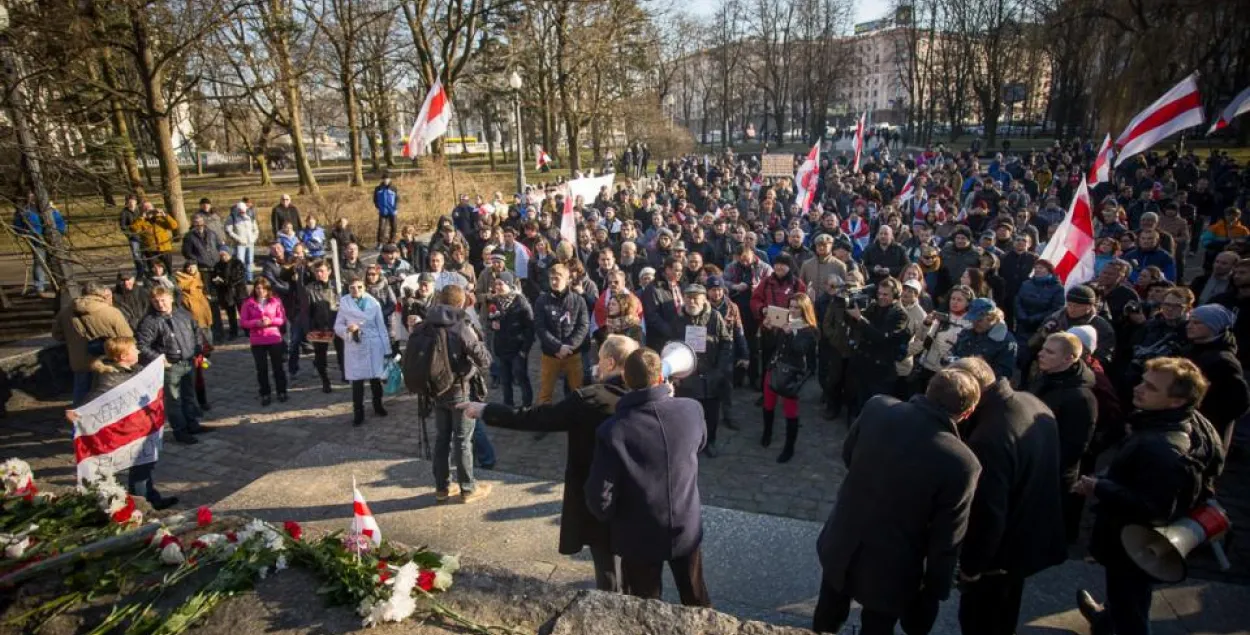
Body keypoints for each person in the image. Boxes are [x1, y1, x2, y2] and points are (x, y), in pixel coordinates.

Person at [459, 334, 640, 592]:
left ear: (610, 363)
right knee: (632, 565)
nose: (595, 365)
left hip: (599, 494)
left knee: (608, 569)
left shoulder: (589, 399)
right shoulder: (647, 394)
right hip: (635, 496)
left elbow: (538, 418)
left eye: (599, 359)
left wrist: (486, 410)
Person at [813, 367, 982, 635]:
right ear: (967, 413)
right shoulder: (962, 462)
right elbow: (948, 536)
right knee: (877, 628)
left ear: (928, 390)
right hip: (893, 566)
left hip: (843, 540)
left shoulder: (877, 408)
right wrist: (935, 590)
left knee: (826, 617)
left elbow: (849, 456)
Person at [1076, 357, 1226, 635]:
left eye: (1151, 387)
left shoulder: (1162, 449)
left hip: (1137, 541)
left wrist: (1100, 487)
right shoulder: (1190, 421)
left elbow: (1153, 509)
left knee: (1131, 603)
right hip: (1131, 539)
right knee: (1125, 597)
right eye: (1143, 381)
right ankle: (1107, 621)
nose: (1138, 388)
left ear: (1175, 401)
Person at [585, 348, 711, 607]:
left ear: (627, 382)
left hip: (637, 537)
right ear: (660, 377)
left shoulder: (613, 430)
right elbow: (699, 445)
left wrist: (611, 519)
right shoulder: (692, 409)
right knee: (696, 598)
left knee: (645, 607)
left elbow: (600, 498)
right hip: (685, 526)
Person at [949, 357, 1066, 635]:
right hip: (1030, 533)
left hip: (1000, 553)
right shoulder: (1032, 403)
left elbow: (988, 513)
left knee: (982, 621)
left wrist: (971, 567)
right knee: (1005, 613)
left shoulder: (988, 438)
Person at [404, 284, 493, 503]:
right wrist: (471, 364)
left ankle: (441, 488)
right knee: (463, 440)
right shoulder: (460, 326)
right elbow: (485, 360)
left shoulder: (425, 324)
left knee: (442, 439)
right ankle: (468, 489)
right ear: (461, 303)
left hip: (435, 391)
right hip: (459, 390)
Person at [68, 336, 178, 509]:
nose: (138, 351)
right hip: (129, 434)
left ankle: (151, 497)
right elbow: (92, 400)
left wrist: (157, 367)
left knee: (146, 466)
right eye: (134, 349)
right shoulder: (109, 379)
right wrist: (77, 412)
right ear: (123, 356)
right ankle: (142, 506)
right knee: (140, 471)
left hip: (142, 429)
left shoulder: (135, 368)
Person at [1029, 332, 1099, 543]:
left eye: (1049, 352)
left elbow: (1074, 447)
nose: (1040, 354)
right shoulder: (1045, 377)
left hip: (1051, 475)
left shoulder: (1081, 398)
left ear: (1069, 358)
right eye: (1043, 348)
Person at [135, 286, 207, 444]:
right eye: (156, 301)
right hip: (170, 366)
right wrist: (159, 359)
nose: (160, 304)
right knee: (174, 399)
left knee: (189, 395)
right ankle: (179, 430)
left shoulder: (182, 314)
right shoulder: (150, 321)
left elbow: (196, 331)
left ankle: (192, 423)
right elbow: (141, 345)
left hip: (188, 362)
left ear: (171, 298)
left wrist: (198, 348)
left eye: (163, 300)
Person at [673, 283, 733, 458]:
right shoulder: (678, 319)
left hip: (710, 375)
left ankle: (710, 442)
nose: (691, 301)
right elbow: (672, 344)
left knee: (711, 414)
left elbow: (726, 343)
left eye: (696, 298)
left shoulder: (714, 317)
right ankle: (689, 444)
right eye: (688, 297)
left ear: (704, 299)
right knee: (686, 414)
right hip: (687, 375)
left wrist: (720, 370)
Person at [51, 281, 133, 405]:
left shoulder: (65, 312)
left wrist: (74, 340)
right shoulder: (111, 312)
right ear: (101, 294)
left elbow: (57, 335)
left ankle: (80, 422)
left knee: (81, 396)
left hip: (79, 361)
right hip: (108, 361)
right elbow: (127, 338)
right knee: (110, 397)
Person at [761, 293, 819, 462]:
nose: (792, 310)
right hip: (775, 367)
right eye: (791, 306)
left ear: (804, 310)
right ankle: (767, 432)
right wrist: (768, 328)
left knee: (790, 411)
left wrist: (788, 333)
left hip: (792, 373)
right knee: (768, 404)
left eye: (797, 308)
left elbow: (799, 350)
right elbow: (771, 345)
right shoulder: (785, 322)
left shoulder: (810, 331)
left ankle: (789, 447)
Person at [1184, 304, 1250, 451]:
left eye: (1197, 323)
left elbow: (1239, 403)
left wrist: (1208, 416)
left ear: (1214, 326)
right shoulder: (1191, 349)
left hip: (1206, 430)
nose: (1189, 326)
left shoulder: (1223, 361)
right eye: (1189, 321)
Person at [846, 278, 909, 414]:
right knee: (861, 403)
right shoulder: (873, 307)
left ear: (895, 295)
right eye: (879, 293)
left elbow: (882, 338)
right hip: (864, 364)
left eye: (885, 294)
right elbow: (857, 327)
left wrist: (860, 319)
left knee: (877, 409)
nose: (881, 297)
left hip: (881, 370)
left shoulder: (900, 314)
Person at [335, 275, 391, 426]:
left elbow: (381, 326)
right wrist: (348, 329)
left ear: (364, 287)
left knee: (375, 379)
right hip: (355, 345)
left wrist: (387, 349)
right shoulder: (344, 304)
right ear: (348, 289)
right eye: (352, 287)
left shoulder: (374, 303)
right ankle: (358, 412)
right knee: (357, 382)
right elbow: (337, 326)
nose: (356, 290)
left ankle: (378, 405)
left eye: (359, 287)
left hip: (373, 345)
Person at [533, 263, 590, 405]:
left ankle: (577, 420)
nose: (554, 282)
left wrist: (569, 346)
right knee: (545, 393)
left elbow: (583, 326)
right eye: (551, 278)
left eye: (557, 278)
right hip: (550, 355)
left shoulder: (578, 300)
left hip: (573, 354)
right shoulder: (542, 301)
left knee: (578, 392)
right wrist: (558, 347)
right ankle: (544, 421)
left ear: (568, 279)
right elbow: (540, 328)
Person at [235, 277, 288, 404]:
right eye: (258, 288)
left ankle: (282, 391)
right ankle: (265, 393)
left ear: (268, 289)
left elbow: (282, 319)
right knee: (261, 369)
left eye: (263, 288)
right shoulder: (248, 303)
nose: (261, 291)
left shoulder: (275, 301)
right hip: (257, 340)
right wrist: (256, 322)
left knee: (278, 367)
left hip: (273, 338)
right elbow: (243, 322)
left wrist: (271, 321)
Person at [486, 272, 534, 408]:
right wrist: (492, 324)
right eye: (496, 284)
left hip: (518, 348)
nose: (498, 287)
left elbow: (530, 328)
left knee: (521, 378)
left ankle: (527, 406)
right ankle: (508, 405)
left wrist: (525, 350)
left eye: (500, 284)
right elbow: (490, 319)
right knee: (505, 380)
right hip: (501, 348)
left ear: (508, 284)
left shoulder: (520, 301)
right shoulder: (495, 301)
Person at [951, 298, 1018, 380]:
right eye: (972, 319)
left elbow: (1005, 374)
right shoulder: (967, 332)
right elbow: (954, 351)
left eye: (979, 320)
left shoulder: (1007, 341)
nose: (975, 323)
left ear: (992, 318)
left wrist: (981, 368)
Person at [129, 202, 178, 275]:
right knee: (154, 271)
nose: (148, 209)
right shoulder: (141, 220)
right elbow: (133, 229)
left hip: (165, 248)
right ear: (142, 210)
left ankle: (171, 284)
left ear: (153, 207)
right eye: (145, 208)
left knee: (169, 270)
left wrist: (165, 215)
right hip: (151, 250)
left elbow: (174, 226)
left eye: (149, 207)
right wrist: (142, 218)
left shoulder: (161, 218)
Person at [211, 248, 247, 340]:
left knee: (243, 312)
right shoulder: (218, 265)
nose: (223, 257)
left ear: (230, 254)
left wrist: (226, 282)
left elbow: (241, 276)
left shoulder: (237, 263)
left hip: (239, 292)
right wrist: (217, 281)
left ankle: (247, 330)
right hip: (226, 293)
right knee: (231, 314)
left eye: (225, 255)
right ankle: (233, 332)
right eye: (221, 255)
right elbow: (214, 277)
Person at [225, 199, 259, 282]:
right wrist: (238, 239)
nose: (242, 212)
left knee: (250, 261)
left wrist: (254, 238)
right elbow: (229, 231)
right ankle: (241, 278)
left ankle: (249, 278)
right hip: (240, 244)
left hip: (250, 243)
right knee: (240, 262)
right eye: (241, 211)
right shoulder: (232, 217)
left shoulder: (250, 216)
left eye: (244, 211)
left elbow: (255, 229)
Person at [119, 195, 145, 279]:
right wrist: (130, 235)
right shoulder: (124, 213)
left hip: (144, 236)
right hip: (134, 238)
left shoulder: (140, 211)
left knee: (146, 255)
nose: (131, 203)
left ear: (136, 202)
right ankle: (140, 273)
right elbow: (123, 227)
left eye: (133, 201)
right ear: (127, 203)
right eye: (130, 202)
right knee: (137, 255)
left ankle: (148, 272)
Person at [373, 173, 399, 247]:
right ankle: (380, 242)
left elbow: (397, 199)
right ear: (382, 179)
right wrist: (378, 207)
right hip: (383, 211)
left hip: (392, 211)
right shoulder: (378, 188)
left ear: (390, 179)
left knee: (394, 226)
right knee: (381, 227)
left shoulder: (394, 188)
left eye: (387, 179)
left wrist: (396, 208)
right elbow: (375, 199)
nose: (386, 180)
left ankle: (392, 241)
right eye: (384, 179)